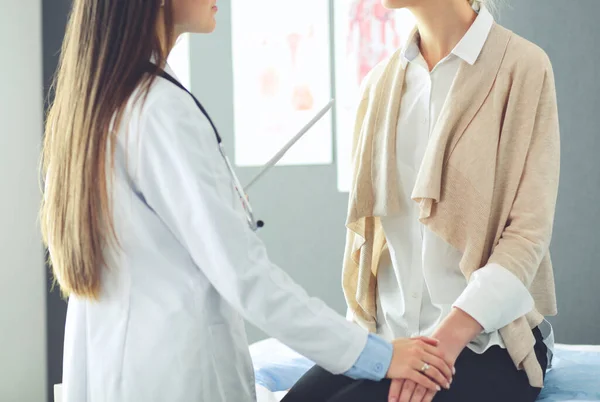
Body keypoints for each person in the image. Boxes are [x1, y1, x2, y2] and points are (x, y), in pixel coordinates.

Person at [39, 1, 459, 401]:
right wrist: (381, 355)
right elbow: (247, 278)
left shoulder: (96, 104)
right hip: (174, 377)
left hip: (114, 370)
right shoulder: (159, 110)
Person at [282, 0, 560, 401]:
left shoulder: (523, 66)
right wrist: (366, 348)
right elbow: (370, 245)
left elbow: (527, 236)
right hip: (392, 341)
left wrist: (443, 344)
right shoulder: (381, 83)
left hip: (486, 342)